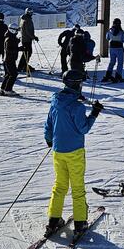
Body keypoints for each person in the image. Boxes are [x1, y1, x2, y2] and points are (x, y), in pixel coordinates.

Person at [43, 71, 103, 235]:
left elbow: (48, 124)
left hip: (58, 151)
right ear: (77, 84)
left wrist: (49, 139)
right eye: (81, 83)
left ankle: (53, 220)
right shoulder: (77, 106)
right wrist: (94, 114)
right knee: (77, 187)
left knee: (60, 185)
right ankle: (80, 222)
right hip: (74, 152)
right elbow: (83, 128)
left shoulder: (55, 101)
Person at [0, 27, 21, 96]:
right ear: (12, 30)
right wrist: (18, 49)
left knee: (8, 74)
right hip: (9, 59)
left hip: (9, 59)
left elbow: (13, 44)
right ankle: (8, 90)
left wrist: (18, 41)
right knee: (13, 74)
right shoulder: (9, 38)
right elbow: (9, 49)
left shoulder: (10, 36)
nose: (17, 32)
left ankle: (3, 88)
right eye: (16, 30)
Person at [104, 18, 124, 82]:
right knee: (120, 63)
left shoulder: (110, 30)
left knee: (112, 62)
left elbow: (107, 38)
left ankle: (108, 74)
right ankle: (118, 75)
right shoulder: (121, 31)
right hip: (119, 48)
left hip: (112, 48)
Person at [17, 9, 37, 74]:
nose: (31, 13)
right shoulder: (27, 20)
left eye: (32, 12)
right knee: (27, 53)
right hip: (27, 39)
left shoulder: (24, 19)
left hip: (25, 38)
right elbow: (28, 31)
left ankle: (23, 66)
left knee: (26, 53)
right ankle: (22, 66)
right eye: (30, 12)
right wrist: (33, 37)